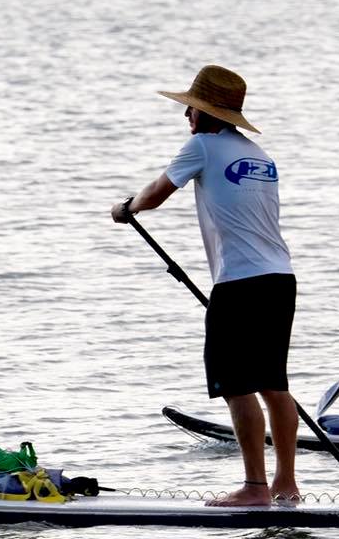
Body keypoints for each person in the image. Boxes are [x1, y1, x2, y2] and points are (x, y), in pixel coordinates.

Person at [111, 65, 300, 505]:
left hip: (240, 283)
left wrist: (126, 208)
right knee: (274, 385)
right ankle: (286, 485)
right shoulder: (259, 156)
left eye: (191, 110)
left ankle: (255, 489)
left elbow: (156, 193)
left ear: (208, 115)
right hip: (280, 278)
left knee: (237, 384)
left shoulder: (202, 146)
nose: (186, 118)